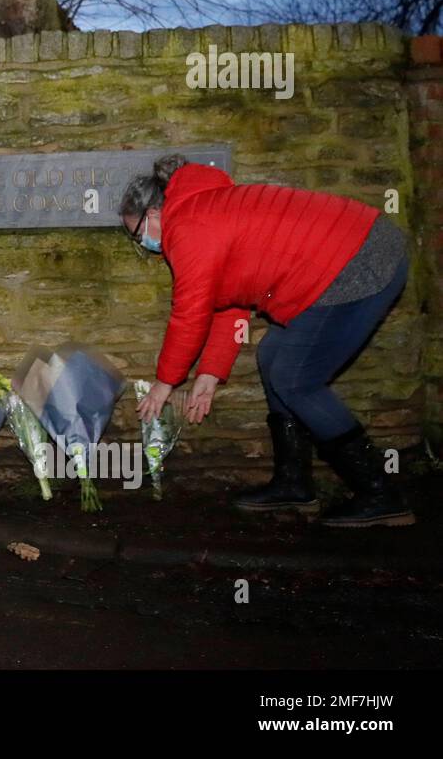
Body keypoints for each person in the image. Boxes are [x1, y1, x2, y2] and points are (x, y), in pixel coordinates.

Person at [121, 153, 413, 528]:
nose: (142, 244)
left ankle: (379, 492)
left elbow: (189, 313)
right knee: (274, 355)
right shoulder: (204, 210)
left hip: (359, 262)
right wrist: (209, 374)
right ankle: (294, 482)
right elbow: (229, 300)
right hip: (357, 252)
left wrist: (165, 384)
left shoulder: (188, 224)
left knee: (295, 380)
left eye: (137, 233)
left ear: (155, 213)